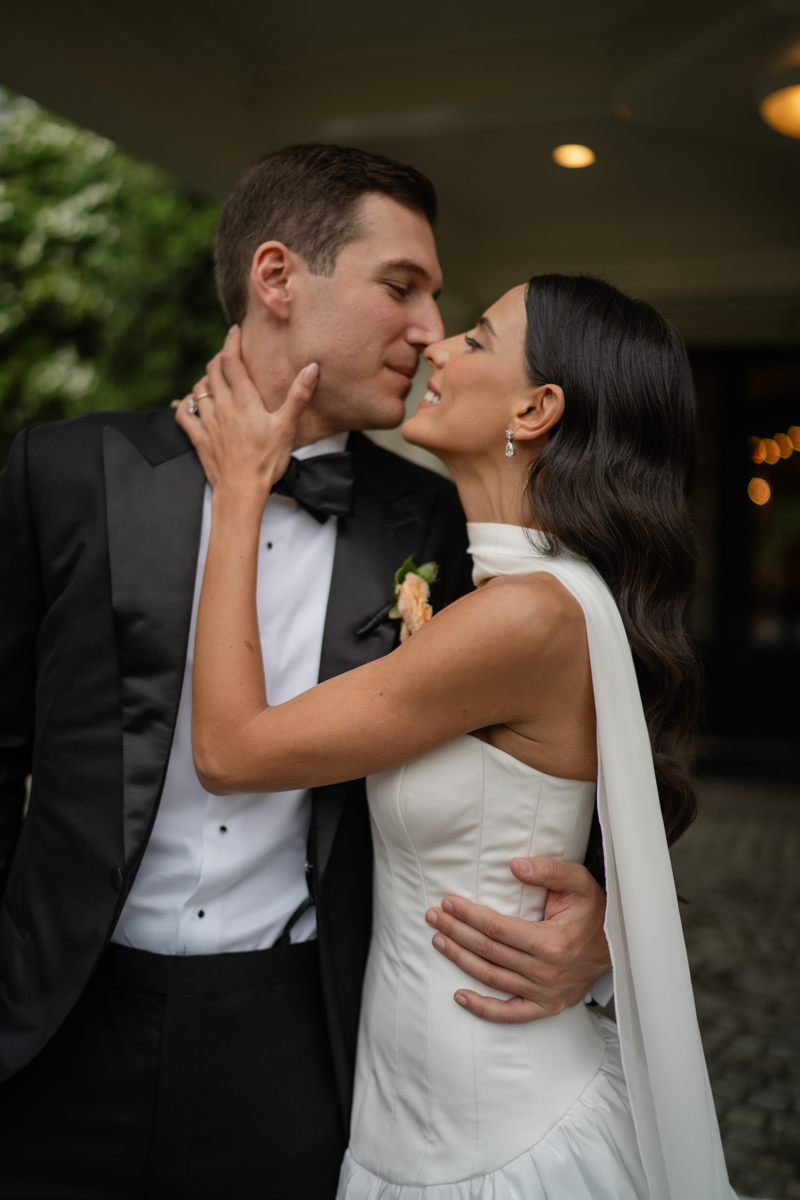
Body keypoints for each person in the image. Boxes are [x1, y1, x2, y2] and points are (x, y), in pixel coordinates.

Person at [0, 145, 610, 1199]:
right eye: (401, 287)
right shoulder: (61, 476)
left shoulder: (433, 518)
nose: (427, 331)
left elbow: (544, 739)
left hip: (300, 1041)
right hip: (54, 1021)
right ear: (277, 278)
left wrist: (600, 917)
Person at [174, 273, 737, 1199]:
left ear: (537, 406)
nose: (436, 347)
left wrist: (240, 491)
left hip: (496, 1144)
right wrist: (608, 922)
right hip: (413, 1120)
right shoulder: (523, 599)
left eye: (474, 338)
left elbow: (232, 752)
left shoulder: (526, 618)